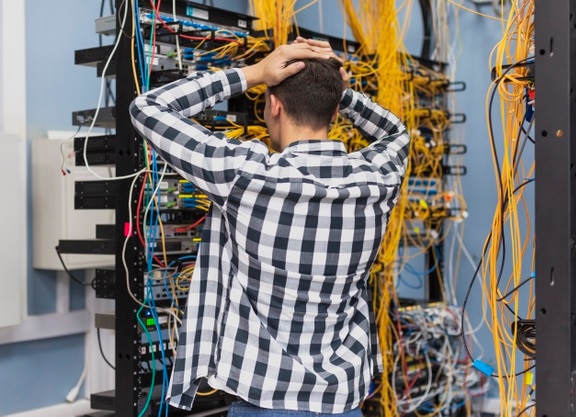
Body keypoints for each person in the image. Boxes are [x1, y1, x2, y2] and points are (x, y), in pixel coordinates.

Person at [129, 37, 410, 416]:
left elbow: (147, 108)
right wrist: (340, 93)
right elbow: (398, 133)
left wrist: (253, 73)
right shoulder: (378, 179)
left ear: (274, 105)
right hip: (343, 404)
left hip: (264, 402)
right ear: (334, 113)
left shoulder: (247, 175)